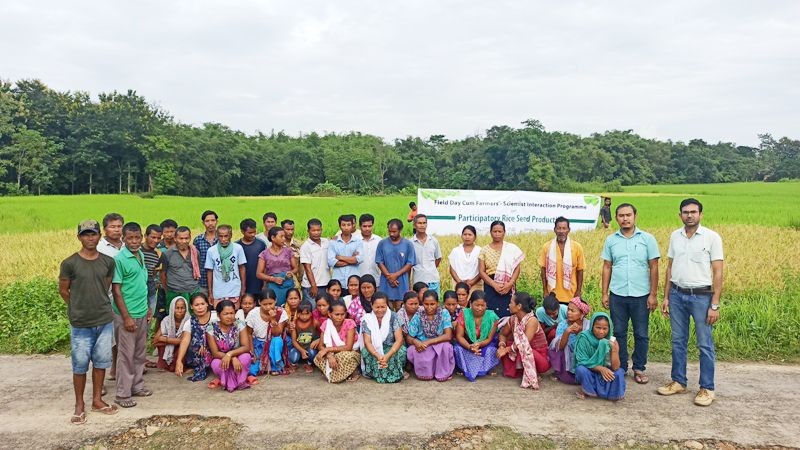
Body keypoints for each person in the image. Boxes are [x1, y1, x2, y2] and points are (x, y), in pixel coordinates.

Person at [658, 198, 724, 406]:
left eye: (693, 212)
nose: (689, 215)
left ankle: (707, 388)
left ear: (700, 215)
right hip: (677, 294)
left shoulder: (711, 238)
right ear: (680, 215)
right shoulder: (675, 236)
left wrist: (714, 304)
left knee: (704, 343)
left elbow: (718, 271)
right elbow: (670, 267)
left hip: (702, 296)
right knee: (678, 340)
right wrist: (666, 297)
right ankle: (679, 381)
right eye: (685, 212)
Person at [59, 219, 118, 424]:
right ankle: (79, 404)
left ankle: (97, 400)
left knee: (101, 361)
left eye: (93, 234)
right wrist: (77, 306)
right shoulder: (70, 263)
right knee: (80, 364)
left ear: (99, 236)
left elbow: (106, 286)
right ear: (79, 237)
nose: (90, 238)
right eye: (85, 234)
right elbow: (64, 290)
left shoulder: (108, 262)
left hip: (104, 319)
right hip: (81, 322)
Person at [601, 203, 660, 385]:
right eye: (621, 216)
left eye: (628, 215)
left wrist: (653, 294)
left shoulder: (647, 239)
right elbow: (607, 267)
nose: (625, 219)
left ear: (635, 216)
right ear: (616, 218)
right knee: (618, 332)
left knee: (641, 333)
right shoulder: (611, 240)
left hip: (641, 294)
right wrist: (604, 293)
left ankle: (639, 368)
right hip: (617, 293)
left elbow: (654, 267)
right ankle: (621, 366)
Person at [111, 222, 151, 408]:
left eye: (137, 238)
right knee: (126, 355)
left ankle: (137, 386)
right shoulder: (120, 259)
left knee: (139, 352)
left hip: (141, 311)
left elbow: (141, 285)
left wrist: (147, 308)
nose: (134, 241)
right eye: (130, 238)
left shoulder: (140, 255)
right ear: (123, 239)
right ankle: (122, 394)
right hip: (127, 314)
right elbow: (117, 291)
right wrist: (126, 317)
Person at [497, 292, 549, 389]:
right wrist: (502, 346)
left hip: (538, 356)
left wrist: (507, 349)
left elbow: (524, 344)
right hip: (520, 352)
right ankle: (521, 370)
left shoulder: (532, 321)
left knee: (527, 350)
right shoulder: (512, 319)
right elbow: (503, 334)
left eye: (511, 302)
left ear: (519, 306)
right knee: (507, 344)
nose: (509, 305)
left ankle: (533, 372)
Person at [575, 312, 626, 401]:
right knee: (580, 369)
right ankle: (587, 390)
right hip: (590, 371)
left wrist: (614, 350)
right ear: (592, 326)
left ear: (609, 328)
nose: (601, 331)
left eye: (605, 328)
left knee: (619, 372)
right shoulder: (584, 338)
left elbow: (615, 367)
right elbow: (582, 360)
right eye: (598, 328)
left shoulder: (612, 341)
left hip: (607, 373)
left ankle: (612, 394)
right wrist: (601, 369)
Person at [478, 221, 524, 318]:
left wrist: (510, 283)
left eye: (500, 231)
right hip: (490, 285)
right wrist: (494, 284)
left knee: (508, 312)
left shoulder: (511, 248)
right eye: (495, 231)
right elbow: (481, 271)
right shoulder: (484, 250)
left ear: (504, 232)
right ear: (490, 232)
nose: (497, 234)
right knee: (491, 313)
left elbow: (517, 268)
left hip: (508, 285)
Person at [406, 291, 455, 381]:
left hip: (439, 344)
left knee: (447, 347)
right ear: (422, 303)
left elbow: (448, 336)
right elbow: (409, 337)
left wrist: (428, 342)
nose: (429, 307)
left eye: (432, 304)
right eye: (426, 304)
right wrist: (415, 342)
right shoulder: (418, 314)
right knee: (411, 350)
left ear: (437, 303)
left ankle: (441, 373)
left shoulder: (444, 313)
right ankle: (427, 372)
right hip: (423, 346)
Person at [453, 290, 500, 382]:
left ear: (486, 305)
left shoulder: (492, 317)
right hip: (467, 344)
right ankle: (463, 367)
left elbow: (489, 339)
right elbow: (459, 336)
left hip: (484, 344)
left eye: (482, 305)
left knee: (491, 350)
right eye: (477, 305)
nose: (480, 308)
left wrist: (478, 345)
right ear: (470, 303)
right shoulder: (464, 314)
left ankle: (486, 367)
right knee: (457, 349)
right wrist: (469, 347)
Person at [207, 300, 253, 392]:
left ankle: (237, 381)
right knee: (215, 363)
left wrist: (230, 354)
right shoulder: (211, 327)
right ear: (219, 315)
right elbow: (215, 353)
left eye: (232, 313)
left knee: (246, 357)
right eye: (226, 314)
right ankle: (235, 380)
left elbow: (246, 347)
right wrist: (231, 358)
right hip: (221, 358)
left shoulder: (240, 324)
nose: (229, 316)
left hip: (238, 356)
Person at [361, 292, 407, 383]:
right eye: (377, 307)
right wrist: (378, 355)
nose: (380, 310)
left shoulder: (394, 316)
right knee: (365, 352)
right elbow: (367, 342)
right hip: (374, 350)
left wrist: (387, 356)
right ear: (372, 305)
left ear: (387, 305)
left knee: (400, 352)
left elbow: (399, 340)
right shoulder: (367, 319)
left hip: (392, 348)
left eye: (383, 307)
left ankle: (385, 371)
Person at [538, 217, 585, 304]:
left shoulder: (577, 247)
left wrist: (578, 291)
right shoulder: (547, 247)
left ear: (568, 230)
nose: (561, 231)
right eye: (559, 228)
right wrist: (545, 290)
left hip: (571, 294)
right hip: (552, 294)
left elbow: (580, 270)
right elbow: (543, 270)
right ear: (555, 230)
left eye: (564, 228)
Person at [314, 300, 361, 383]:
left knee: (344, 356)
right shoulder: (326, 324)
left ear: (345, 314)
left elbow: (348, 347)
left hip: (349, 352)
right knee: (318, 358)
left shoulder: (350, 323)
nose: (339, 317)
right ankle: (340, 373)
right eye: (336, 314)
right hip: (333, 353)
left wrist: (327, 350)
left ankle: (353, 372)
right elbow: (321, 345)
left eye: (342, 314)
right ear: (329, 314)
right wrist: (329, 355)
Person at [174, 293, 218, 382]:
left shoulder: (216, 316)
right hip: (198, 353)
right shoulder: (189, 322)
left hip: (217, 348)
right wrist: (179, 361)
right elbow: (185, 341)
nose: (200, 307)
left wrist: (207, 344)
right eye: (196, 305)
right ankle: (199, 365)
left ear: (207, 304)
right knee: (192, 342)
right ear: (191, 306)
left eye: (202, 304)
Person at [548, 296, 591, 385]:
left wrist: (580, 334)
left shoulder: (588, 325)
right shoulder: (562, 324)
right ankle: (563, 371)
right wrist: (567, 332)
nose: (569, 313)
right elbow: (560, 347)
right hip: (566, 357)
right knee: (555, 344)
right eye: (568, 309)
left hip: (583, 357)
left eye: (573, 311)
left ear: (582, 314)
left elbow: (591, 346)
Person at [246, 289, 289, 377]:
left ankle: (275, 366)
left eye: (271, 304)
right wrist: (252, 352)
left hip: (273, 343)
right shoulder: (252, 314)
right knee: (252, 371)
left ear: (276, 301)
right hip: (257, 344)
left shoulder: (281, 312)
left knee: (277, 340)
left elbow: (277, 333)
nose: (268, 307)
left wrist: (273, 319)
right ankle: (266, 364)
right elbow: (249, 334)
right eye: (265, 304)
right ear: (259, 302)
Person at [376, 218, 416, 311]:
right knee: (386, 308)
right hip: (386, 281)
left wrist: (395, 275)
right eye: (389, 231)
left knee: (401, 308)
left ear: (400, 230)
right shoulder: (382, 243)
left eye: (394, 231)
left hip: (402, 282)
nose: (391, 234)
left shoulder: (408, 244)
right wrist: (389, 277)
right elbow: (379, 261)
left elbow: (410, 263)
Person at [161, 226, 201, 313]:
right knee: (174, 317)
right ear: (175, 239)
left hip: (192, 290)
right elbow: (163, 275)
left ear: (190, 238)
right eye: (181, 238)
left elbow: (197, 269)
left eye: (186, 238)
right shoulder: (167, 254)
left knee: (193, 318)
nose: (184, 241)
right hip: (174, 292)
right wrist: (167, 291)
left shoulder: (195, 252)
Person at [257, 227, 298, 306]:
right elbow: (259, 274)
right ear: (273, 238)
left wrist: (291, 273)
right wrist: (273, 279)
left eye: (284, 237)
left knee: (290, 306)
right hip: (273, 286)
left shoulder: (288, 251)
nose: (284, 239)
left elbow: (295, 268)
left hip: (288, 283)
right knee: (275, 307)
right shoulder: (264, 254)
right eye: (281, 236)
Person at [153, 295, 189, 372]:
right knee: (160, 345)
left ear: (186, 309)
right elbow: (156, 340)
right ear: (172, 309)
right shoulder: (166, 320)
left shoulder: (188, 321)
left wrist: (165, 339)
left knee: (182, 348)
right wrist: (173, 341)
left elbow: (182, 341)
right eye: (177, 308)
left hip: (181, 347)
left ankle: (179, 364)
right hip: (169, 346)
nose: (180, 310)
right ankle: (166, 363)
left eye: (182, 308)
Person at [299, 218, 330, 304]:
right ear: (308, 231)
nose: (316, 233)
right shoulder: (306, 246)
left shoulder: (326, 242)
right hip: (311, 286)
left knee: (323, 309)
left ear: (321, 230)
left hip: (325, 283)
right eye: (313, 230)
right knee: (312, 309)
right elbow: (307, 268)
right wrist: (313, 285)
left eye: (318, 230)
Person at [327, 215, 364, 286]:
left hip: (354, 283)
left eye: (348, 225)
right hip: (338, 282)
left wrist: (340, 257)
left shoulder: (358, 242)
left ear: (353, 225)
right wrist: (351, 259)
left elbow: (359, 259)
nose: (346, 228)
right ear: (340, 226)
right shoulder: (333, 242)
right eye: (343, 225)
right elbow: (331, 261)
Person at [411, 215, 442, 296]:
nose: (422, 225)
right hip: (418, 280)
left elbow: (438, 258)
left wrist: (430, 269)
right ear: (414, 225)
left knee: (434, 305)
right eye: (419, 223)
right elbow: (409, 264)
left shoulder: (433, 241)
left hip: (433, 280)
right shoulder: (410, 243)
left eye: (424, 223)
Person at [237, 218, 267, 296]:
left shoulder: (261, 244)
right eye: (250, 233)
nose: (253, 235)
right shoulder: (237, 246)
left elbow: (265, 265)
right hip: (242, 285)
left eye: (254, 232)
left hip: (259, 284)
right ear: (242, 231)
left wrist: (264, 284)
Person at [448, 225, 482, 291]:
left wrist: (472, 282)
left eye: (470, 234)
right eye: (465, 234)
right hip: (458, 284)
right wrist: (460, 282)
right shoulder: (456, 251)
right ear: (461, 236)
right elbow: (452, 269)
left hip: (476, 284)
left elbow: (482, 270)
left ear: (475, 237)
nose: (467, 237)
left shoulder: (480, 251)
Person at [141, 224, 163, 326]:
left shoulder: (158, 254)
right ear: (146, 236)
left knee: (149, 318)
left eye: (158, 238)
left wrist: (156, 283)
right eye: (153, 237)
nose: (156, 240)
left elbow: (155, 271)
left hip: (151, 288)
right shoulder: (138, 250)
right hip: (138, 287)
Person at [289, 300, 320, 373]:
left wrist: (318, 340)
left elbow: (323, 333)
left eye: (307, 314)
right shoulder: (294, 323)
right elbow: (293, 341)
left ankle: (309, 364)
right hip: (298, 347)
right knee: (293, 358)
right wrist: (302, 351)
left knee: (312, 354)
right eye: (302, 314)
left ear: (311, 313)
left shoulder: (315, 322)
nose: (304, 317)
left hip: (310, 347)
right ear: (298, 314)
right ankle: (294, 364)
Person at [193, 210, 219, 294]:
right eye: (207, 221)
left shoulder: (222, 239)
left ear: (217, 221)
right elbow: (194, 261)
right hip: (202, 282)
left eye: (213, 220)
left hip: (220, 283)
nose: (210, 223)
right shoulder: (198, 240)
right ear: (203, 223)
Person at [357, 214, 382, 285]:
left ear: (373, 226)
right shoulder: (354, 241)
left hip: (376, 279)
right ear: (360, 226)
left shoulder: (379, 240)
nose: (367, 228)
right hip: (358, 280)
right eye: (364, 226)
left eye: (369, 226)